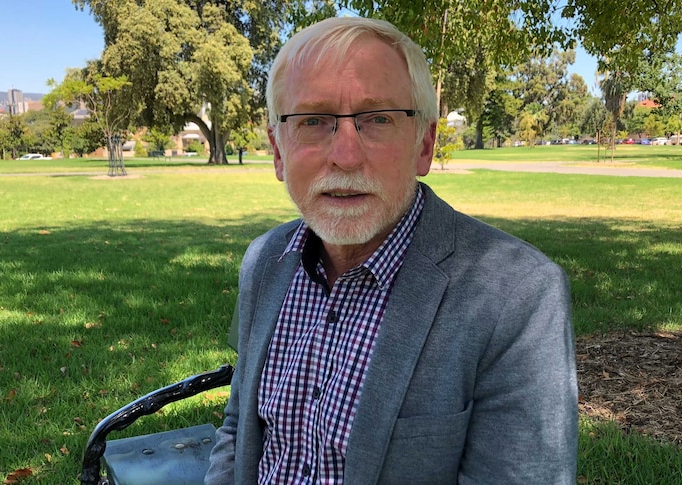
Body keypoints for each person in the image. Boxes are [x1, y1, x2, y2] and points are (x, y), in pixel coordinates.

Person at [205, 16, 577, 484]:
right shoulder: (263, 262)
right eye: (313, 121)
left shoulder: (517, 295)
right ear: (278, 151)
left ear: (424, 144)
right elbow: (238, 430)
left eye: (377, 119)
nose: (345, 155)